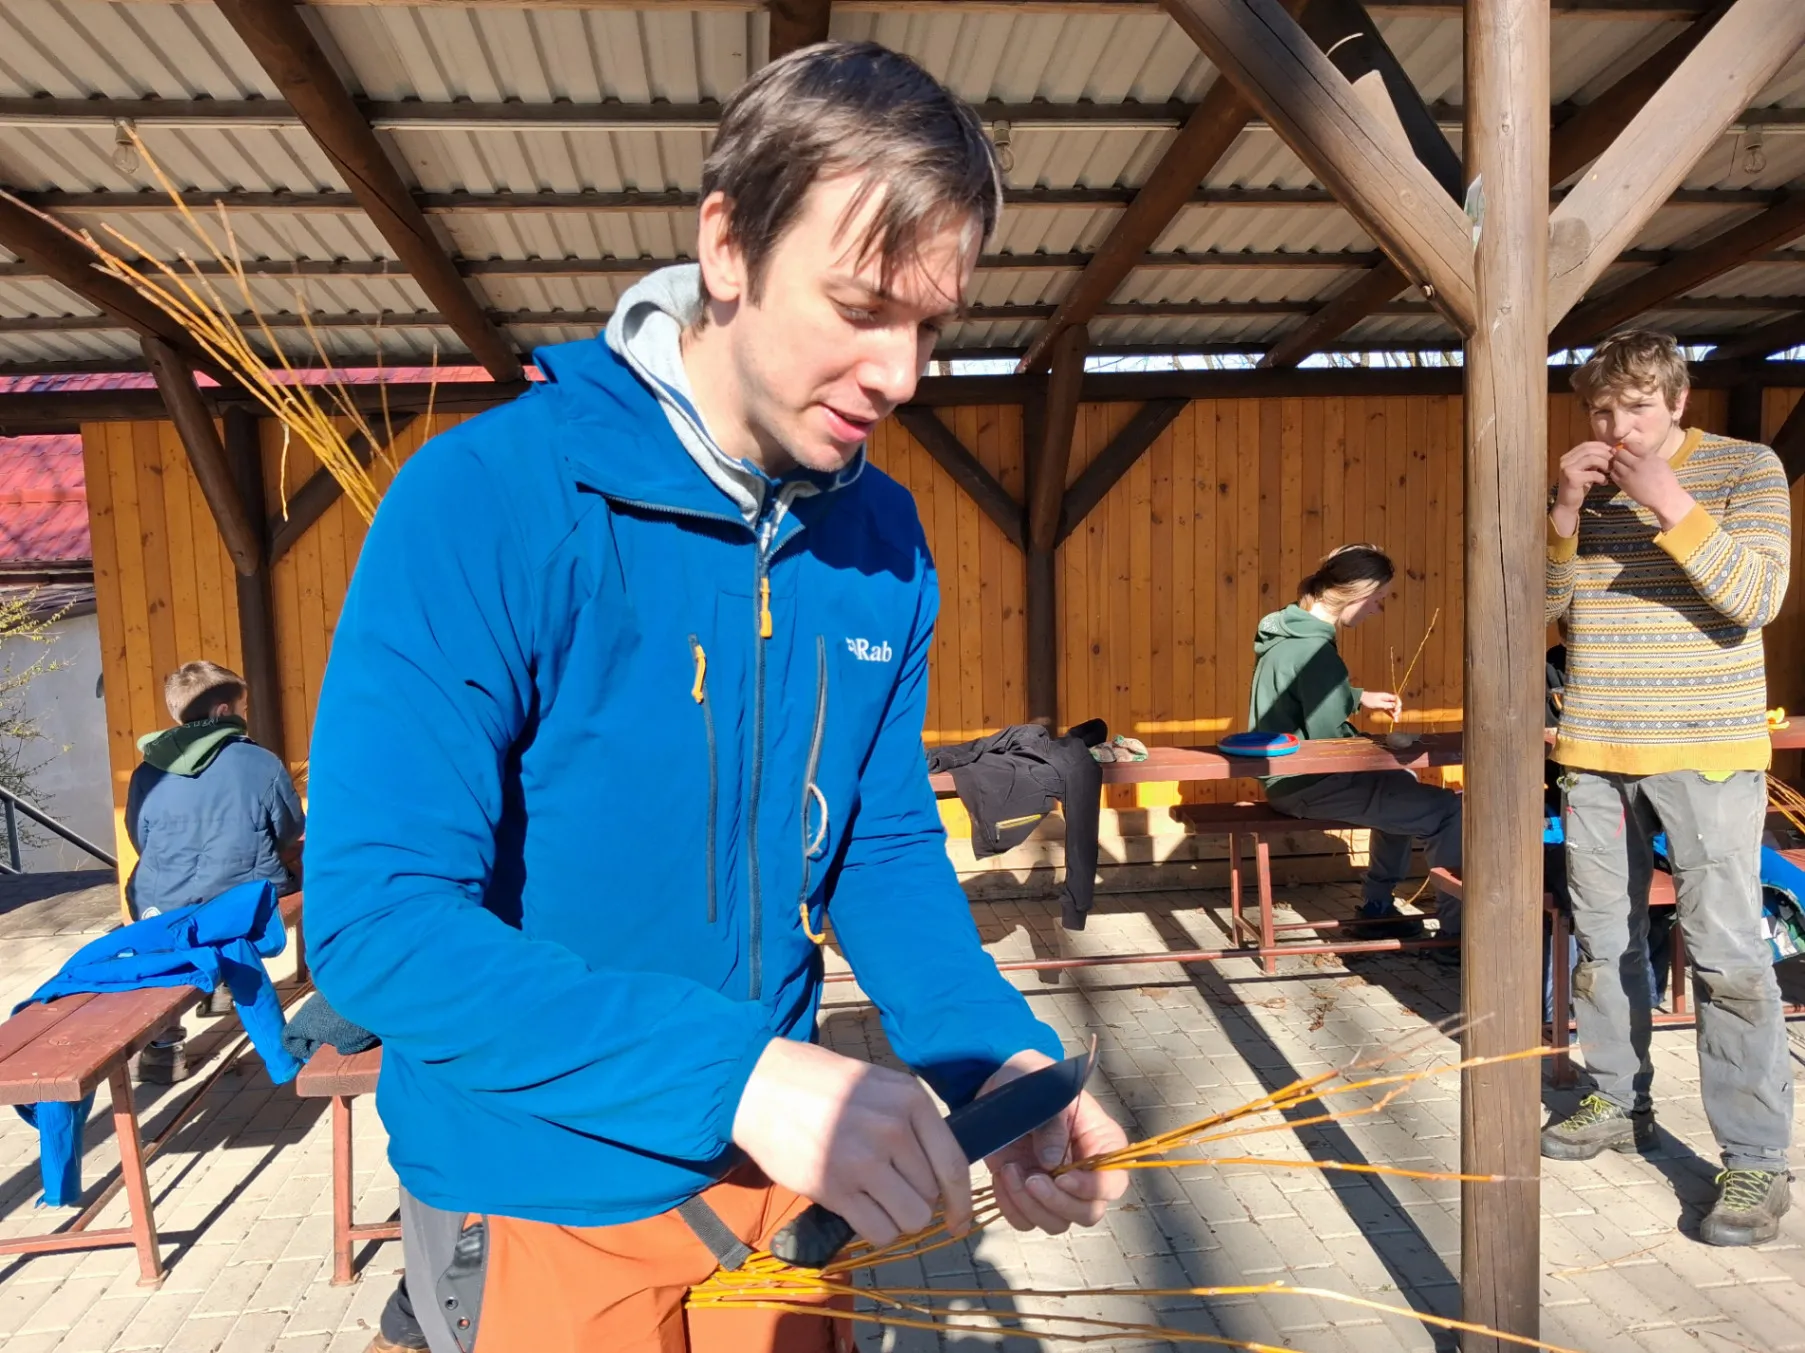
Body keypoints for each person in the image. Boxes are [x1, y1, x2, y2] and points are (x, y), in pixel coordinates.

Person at [303, 42, 1128, 1353]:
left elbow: (877, 843)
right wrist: (733, 1073)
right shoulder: (491, 499)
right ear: (727, 246)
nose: (902, 375)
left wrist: (994, 1059)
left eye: (930, 326)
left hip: (778, 1185)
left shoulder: (883, 542)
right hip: (539, 1189)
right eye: (860, 307)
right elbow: (377, 923)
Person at [1540, 330, 1794, 1246]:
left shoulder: (1745, 468)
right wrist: (1564, 513)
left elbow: (1756, 597)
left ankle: (1755, 1159)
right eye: (1601, 410)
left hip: (1708, 752)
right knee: (1603, 941)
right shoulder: (1584, 486)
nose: (1617, 428)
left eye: (1637, 407)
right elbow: (1540, 612)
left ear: (1677, 401)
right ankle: (1616, 1099)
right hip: (1594, 749)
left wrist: (1668, 500)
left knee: (1726, 955)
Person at [1247, 544, 1462, 947]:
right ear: (1357, 595)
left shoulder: (1288, 632)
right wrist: (1389, 749)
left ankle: (1378, 909)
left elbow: (1300, 693)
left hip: (1286, 778)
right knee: (1451, 811)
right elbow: (1331, 738)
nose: (1378, 610)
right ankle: (1456, 936)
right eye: (1378, 599)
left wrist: (1357, 697)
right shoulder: (1316, 652)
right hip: (1312, 784)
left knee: (1403, 783)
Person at [124, 660, 304, 1082]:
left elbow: (140, 838)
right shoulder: (259, 762)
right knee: (301, 869)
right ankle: (323, 997)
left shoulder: (147, 770)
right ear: (224, 711)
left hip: (161, 902)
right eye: (244, 707)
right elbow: (289, 828)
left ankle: (165, 1048)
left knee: (172, 916)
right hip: (240, 902)